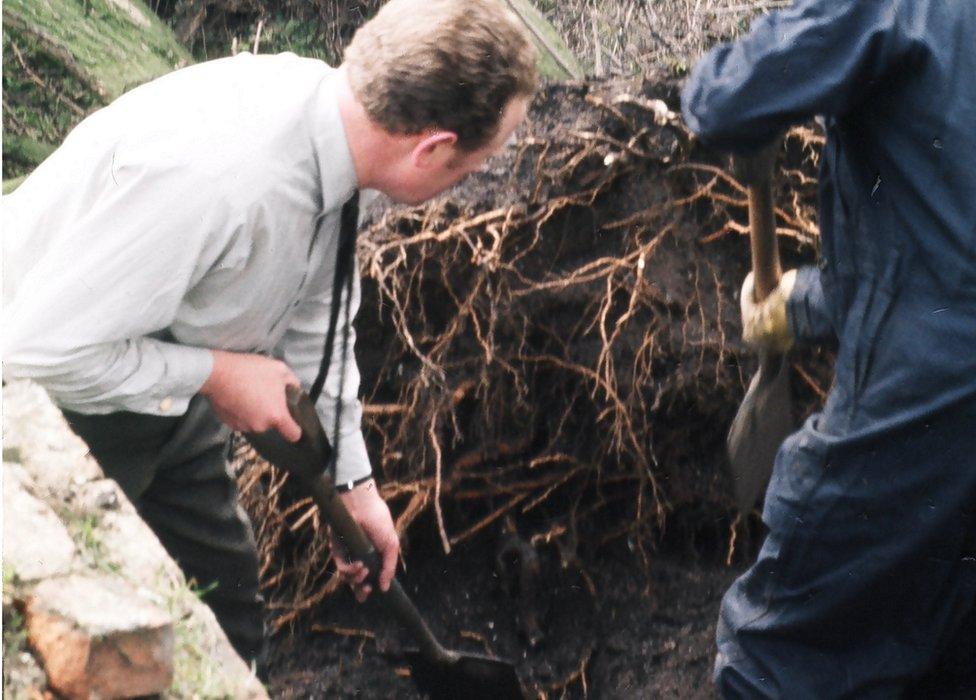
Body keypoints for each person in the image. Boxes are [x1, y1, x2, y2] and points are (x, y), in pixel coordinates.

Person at [3, 0, 536, 668]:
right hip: (49, 402)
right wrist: (216, 375)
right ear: (431, 149)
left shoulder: (344, 141)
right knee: (78, 636)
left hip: (167, 387)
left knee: (227, 619)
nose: (472, 179)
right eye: (472, 166)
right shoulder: (220, 178)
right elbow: (33, 348)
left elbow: (321, 310)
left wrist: (353, 483)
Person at [681, 1, 976, 696]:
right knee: (943, 644)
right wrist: (801, 306)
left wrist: (758, 57)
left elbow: (727, 102)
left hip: (925, 405)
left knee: (781, 657)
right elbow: (944, 237)